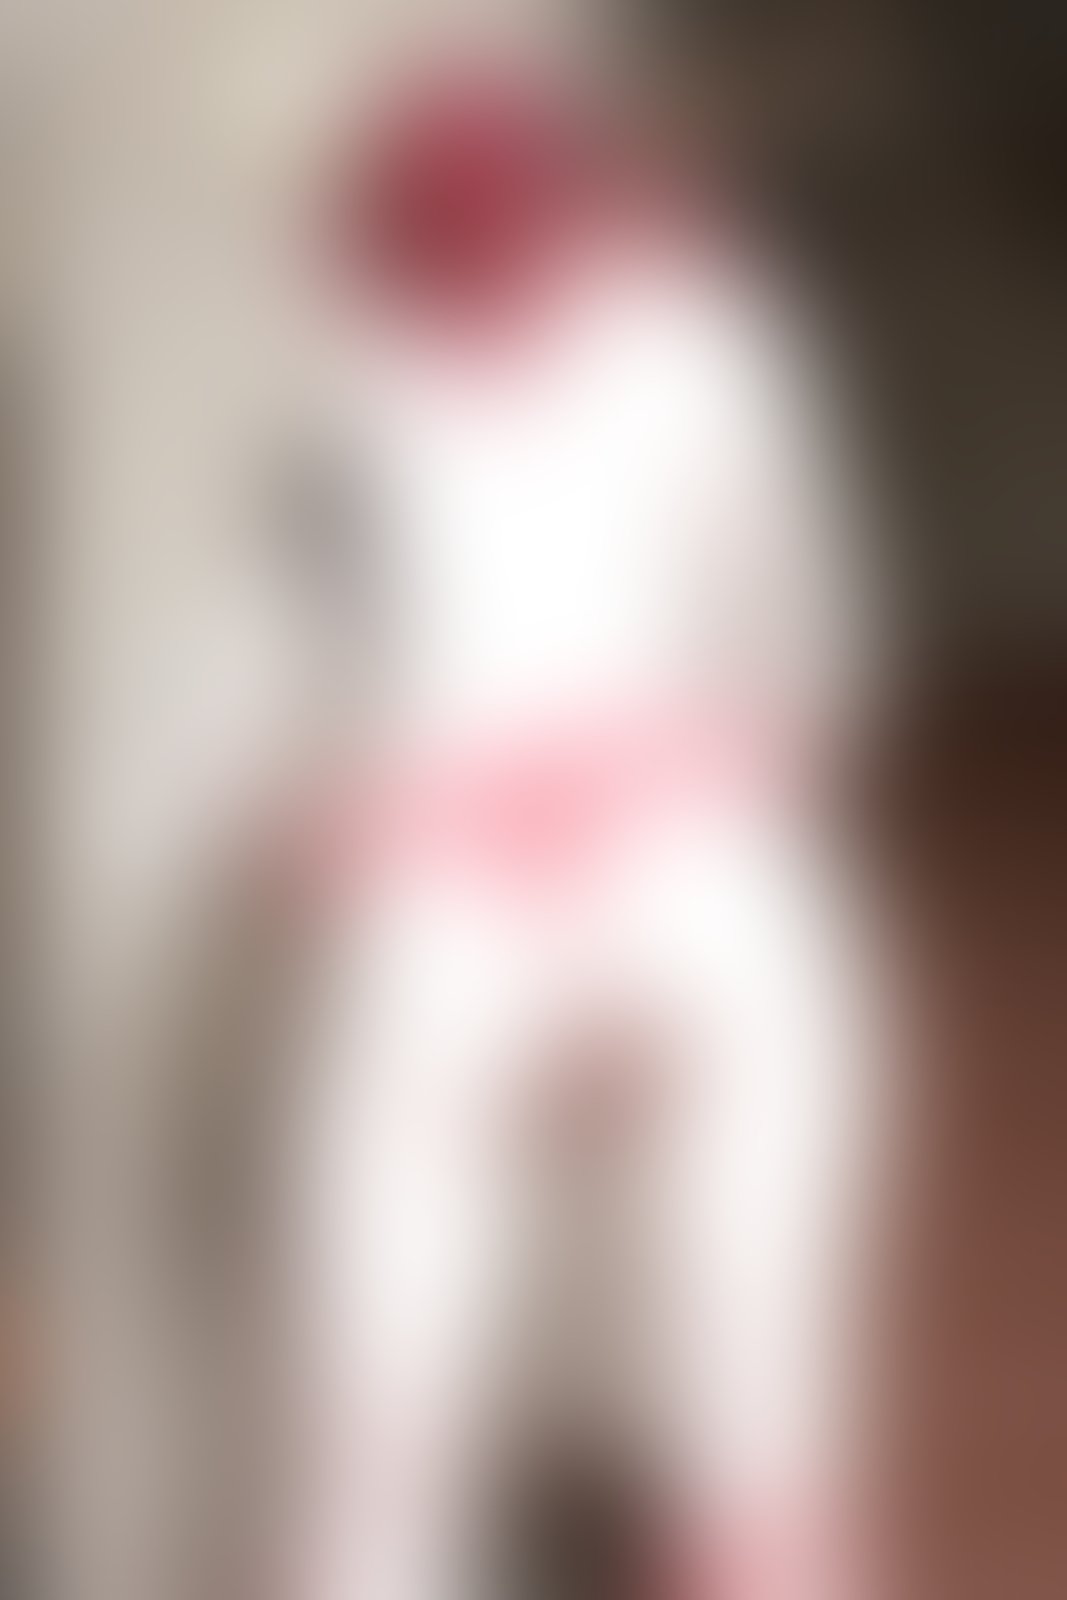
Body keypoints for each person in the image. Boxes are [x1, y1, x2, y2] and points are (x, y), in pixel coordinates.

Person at [283, 58, 891, 1600]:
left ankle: (751, 1513)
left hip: (672, 807)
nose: (476, 315)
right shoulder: (361, 384)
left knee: (796, 1024)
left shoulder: (706, 356)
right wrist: (352, 811)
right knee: (379, 1127)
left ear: (580, 230)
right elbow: (325, 689)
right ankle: (378, 1545)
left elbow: (808, 645)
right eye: (439, 280)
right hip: (448, 840)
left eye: (505, 265)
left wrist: (670, 773)